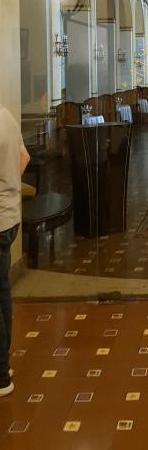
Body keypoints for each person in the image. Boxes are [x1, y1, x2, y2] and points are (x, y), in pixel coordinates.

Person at [0, 105, 30, 397]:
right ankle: (4, 363)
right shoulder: (6, 116)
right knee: (2, 292)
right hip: (10, 217)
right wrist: (8, 188)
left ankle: (0, 375)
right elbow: (24, 157)